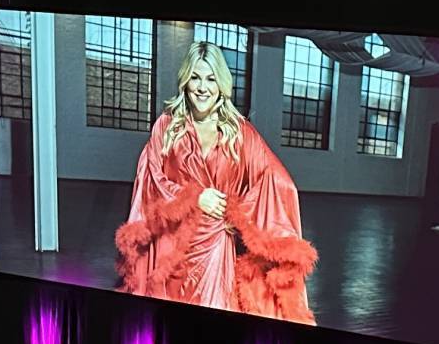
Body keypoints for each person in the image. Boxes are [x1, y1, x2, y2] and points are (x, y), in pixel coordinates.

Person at [115, 39, 317, 323]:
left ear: (222, 83)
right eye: (195, 77)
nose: (202, 87)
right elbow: (151, 178)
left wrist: (239, 214)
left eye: (211, 79)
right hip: (173, 249)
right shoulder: (167, 126)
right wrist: (194, 197)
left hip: (215, 250)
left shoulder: (239, 132)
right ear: (185, 81)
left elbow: (275, 183)